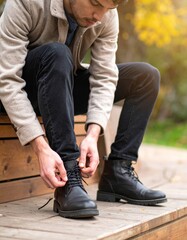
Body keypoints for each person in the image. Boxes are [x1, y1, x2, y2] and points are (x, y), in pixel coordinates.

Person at [0, 0, 167, 219]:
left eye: (108, 9)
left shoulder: (106, 15)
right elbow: (7, 80)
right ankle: (69, 176)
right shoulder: (26, 2)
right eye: (95, 3)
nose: (99, 16)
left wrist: (92, 133)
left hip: (62, 86)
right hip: (17, 91)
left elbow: (105, 77)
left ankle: (118, 173)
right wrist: (40, 146)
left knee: (145, 76)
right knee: (58, 54)